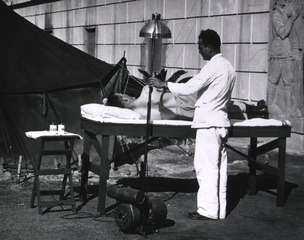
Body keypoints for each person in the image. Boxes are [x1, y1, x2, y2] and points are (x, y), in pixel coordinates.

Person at [149, 29, 236, 220]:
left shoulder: (213, 66)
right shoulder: (229, 67)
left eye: (201, 47)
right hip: (220, 122)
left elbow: (191, 86)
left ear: (209, 47)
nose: (199, 51)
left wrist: (164, 85)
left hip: (209, 124)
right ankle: (218, 210)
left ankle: (208, 211)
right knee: (219, 169)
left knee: (206, 168)